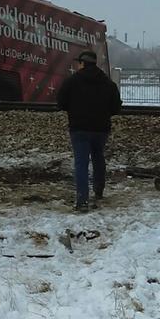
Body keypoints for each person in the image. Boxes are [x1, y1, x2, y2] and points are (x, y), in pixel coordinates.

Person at [56, 50, 122, 212]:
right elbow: (116, 108)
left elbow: (61, 103)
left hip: (79, 129)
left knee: (81, 163)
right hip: (101, 129)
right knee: (98, 157)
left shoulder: (72, 81)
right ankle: (98, 190)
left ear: (82, 63)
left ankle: (82, 201)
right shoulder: (108, 83)